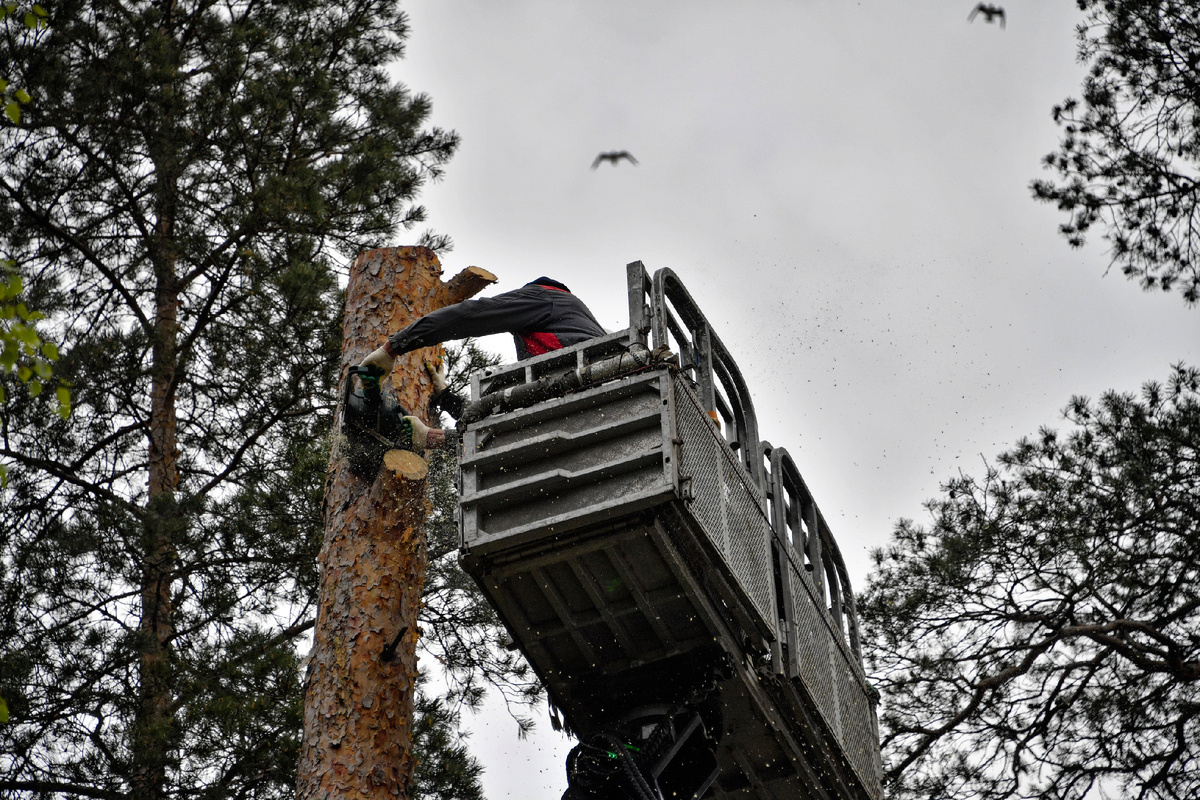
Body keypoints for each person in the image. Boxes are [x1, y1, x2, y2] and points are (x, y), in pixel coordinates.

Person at [358, 277, 606, 449]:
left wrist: (393, 347)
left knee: (501, 394)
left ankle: (439, 438)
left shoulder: (543, 297)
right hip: (587, 411)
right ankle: (439, 438)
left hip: (580, 398)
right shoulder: (578, 327)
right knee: (504, 397)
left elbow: (472, 315)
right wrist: (445, 396)